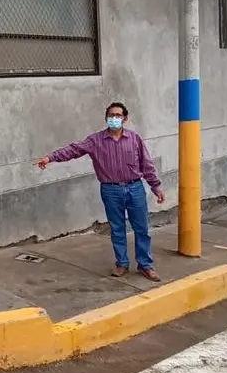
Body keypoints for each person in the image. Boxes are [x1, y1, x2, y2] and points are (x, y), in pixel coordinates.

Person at [36, 102, 165, 282]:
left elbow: (147, 164)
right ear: (106, 118)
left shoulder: (135, 139)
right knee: (117, 228)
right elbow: (74, 149)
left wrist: (156, 186)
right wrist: (51, 158)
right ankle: (122, 263)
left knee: (141, 228)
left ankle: (145, 265)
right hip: (111, 190)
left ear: (125, 119)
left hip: (135, 188)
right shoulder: (95, 141)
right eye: (111, 115)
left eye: (118, 115)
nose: (114, 118)